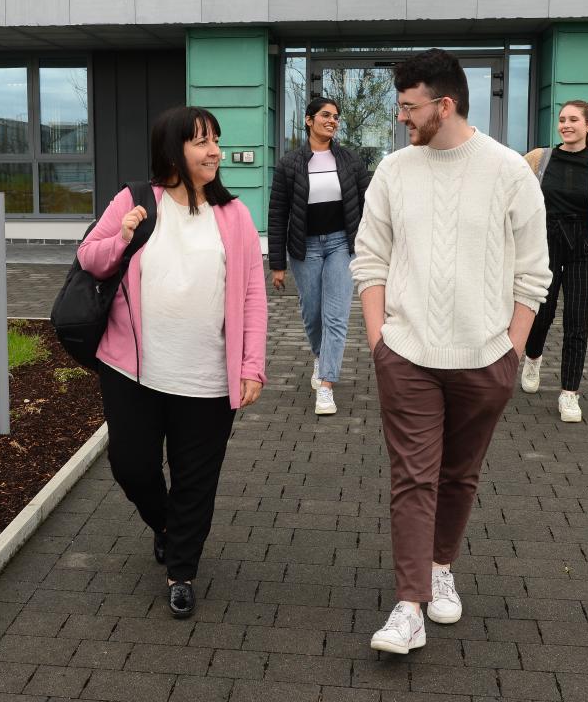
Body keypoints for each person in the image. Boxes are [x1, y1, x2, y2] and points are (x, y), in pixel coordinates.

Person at [350, 49, 551, 654]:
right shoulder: (393, 170)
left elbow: (532, 273)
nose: (402, 119)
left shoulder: (509, 172)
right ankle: (408, 606)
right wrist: (379, 340)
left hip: (483, 357)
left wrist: (511, 353)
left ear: (446, 104)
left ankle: (441, 567)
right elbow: (371, 258)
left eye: (410, 108)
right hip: (406, 353)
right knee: (413, 477)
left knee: (459, 475)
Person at [77, 106, 267, 619]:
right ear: (173, 149)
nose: (215, 152)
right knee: (131, 465)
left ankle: (181, 569)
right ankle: (165, 526)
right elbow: (88, 258)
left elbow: (252, 295)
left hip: (207, 376)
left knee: (195, 479)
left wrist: (251, 364)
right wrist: (121, 237)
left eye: (216, 142)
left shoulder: (235, 216)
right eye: (202, 142)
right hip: (133, 370)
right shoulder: (135, 200)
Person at [520, 100, 588, 423]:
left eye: (573, 120)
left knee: (577, 322)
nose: (566, 125)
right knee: (542, 313)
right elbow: (510, 198)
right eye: (561, 120)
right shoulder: (538, 159)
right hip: (545, 243)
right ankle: (533, 357)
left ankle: (569, 394)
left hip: (583, 245)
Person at [268, 97, 370, 415]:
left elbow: (372, 198)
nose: (333, 120)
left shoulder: (350, 161)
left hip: (341, 244)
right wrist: (277, 264)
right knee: (312, 315)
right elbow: (278, 213)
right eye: (326, 115)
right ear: (309, 120)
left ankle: (326, 384)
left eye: (336, 117)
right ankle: (321, 357)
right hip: (304, 247)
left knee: (336, 317)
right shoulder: (290, 164)